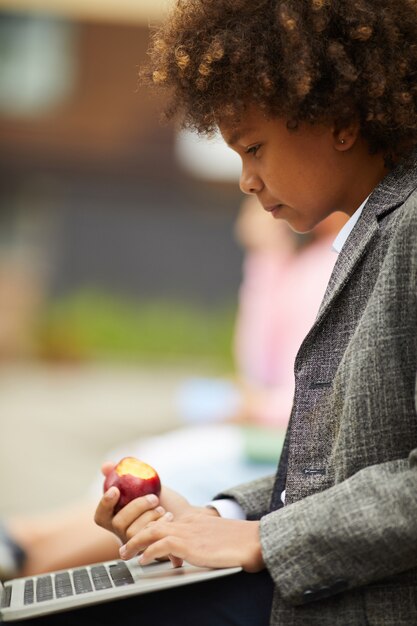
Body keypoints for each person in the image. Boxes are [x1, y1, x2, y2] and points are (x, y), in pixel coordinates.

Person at [13, 0, 417, 624]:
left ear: (340, 119)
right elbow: (333, 477)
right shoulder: (370, 230)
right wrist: (216, 517)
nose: (246, 180)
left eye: (254, 147)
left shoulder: (409, 227)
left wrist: (262, 540)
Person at [3, 198, 345, 578]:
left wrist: (257, 406)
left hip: (280, 442)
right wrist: (265, 257)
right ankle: (26, 543)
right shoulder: (299, 263)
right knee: (137, 465)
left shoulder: (331, 266)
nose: (253, 189)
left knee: (167, 474)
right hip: (262, 431)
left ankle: (28, 551)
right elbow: (258, 364)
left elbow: (317, 395)